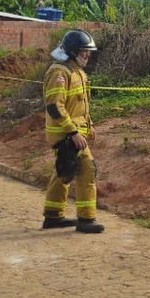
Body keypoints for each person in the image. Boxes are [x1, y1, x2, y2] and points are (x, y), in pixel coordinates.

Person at [41, 29, 104, 233]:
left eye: (88, 51)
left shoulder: (77, 71)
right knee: (87, 169)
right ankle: (86, 219)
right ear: (73, 50)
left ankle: (53, 216)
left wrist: (89, 124)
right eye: (84, 51)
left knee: (64, 171)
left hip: (75, 131)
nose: (88, 55)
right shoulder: (59, 72)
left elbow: (79, 104)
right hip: (65, 134)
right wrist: (72, 132)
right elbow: (54, 106)